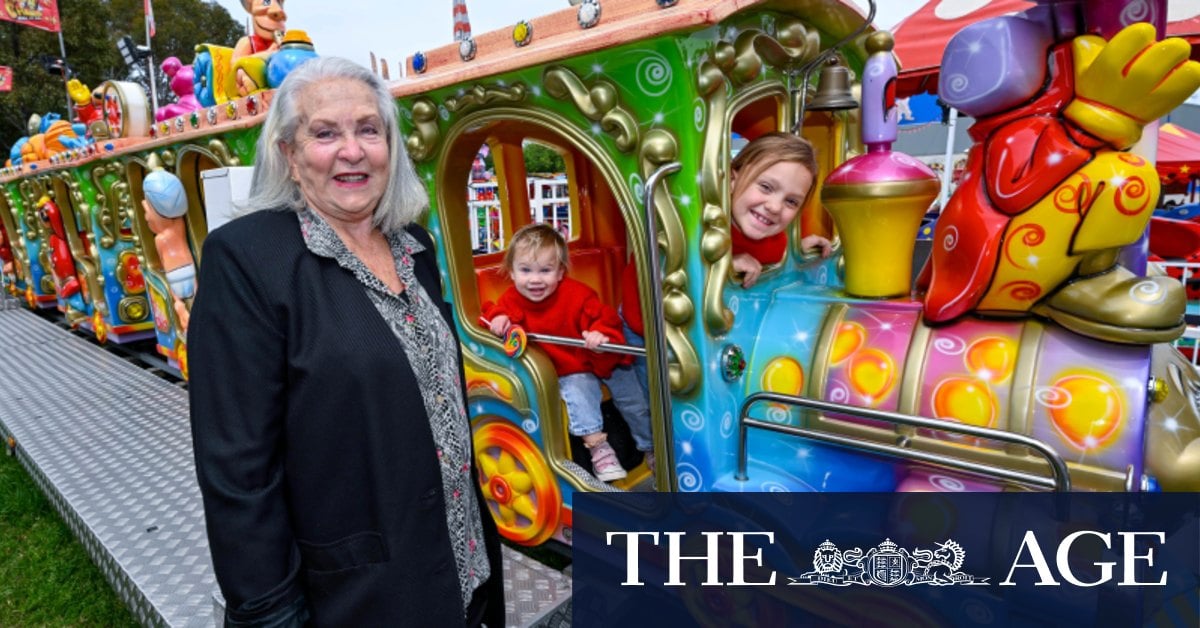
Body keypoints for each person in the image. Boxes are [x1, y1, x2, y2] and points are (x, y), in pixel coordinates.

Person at [188, 57, 503, 627]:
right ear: (289, 153)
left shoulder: (415, 244)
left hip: (463, 570)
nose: (352, 151)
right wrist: (268, 611)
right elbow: (238, 469)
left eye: (368, 129)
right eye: (325, 133)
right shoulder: (247, 258)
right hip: (356, 598)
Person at [482, 223, 652, 482]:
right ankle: (598, 448)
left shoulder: (578, 294)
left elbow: (603, 318)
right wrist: (498, 319)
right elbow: (490, 312)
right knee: (578, 392)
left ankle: (650, 448)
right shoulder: (510, 300)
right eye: (525, 270)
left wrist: (599, 334)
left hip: (601, 357)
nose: (535, 279)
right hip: (570, 367)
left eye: (545, 270)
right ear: (512, 273)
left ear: (560, 272)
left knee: (634, 401)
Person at [729, 132, 833, 288]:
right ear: (732, 180)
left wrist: (797, 252)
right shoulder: (700, 229)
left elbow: (779, 258)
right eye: (765, 187)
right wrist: (724, 268)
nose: (775, 207)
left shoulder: (778, 241)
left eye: (791, 201)